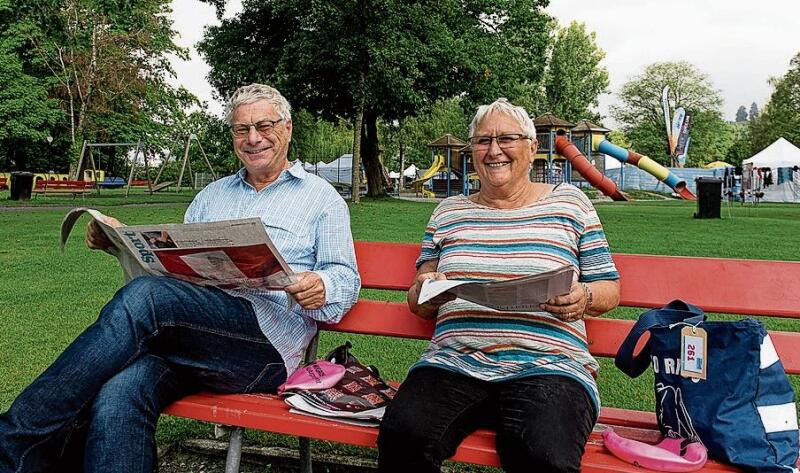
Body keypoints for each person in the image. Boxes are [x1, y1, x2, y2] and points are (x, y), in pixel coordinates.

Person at [0, 83, 361, 473]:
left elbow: (346, 278)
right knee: (122, 390)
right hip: (193, 337)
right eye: (242, 130)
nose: (253, 138)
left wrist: (322, 285)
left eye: (265, 125)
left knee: (149, 298)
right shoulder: (212, 195)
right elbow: (173, 270)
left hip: (263, 349)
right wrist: (121, 243)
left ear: (287, 128)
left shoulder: (322, 198)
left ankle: (13, 442)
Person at [377, 98, 620, 473]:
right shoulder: (448, 212)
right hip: (455, 360)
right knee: (402, 435)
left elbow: (608, 288)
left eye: (506, 138)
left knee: (541, 454)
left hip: (549, 365)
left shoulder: (571, 203)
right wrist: (428, 287)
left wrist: (582, 297)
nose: (494, 151)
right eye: (482, 141)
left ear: (532, 146)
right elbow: (418, 297)